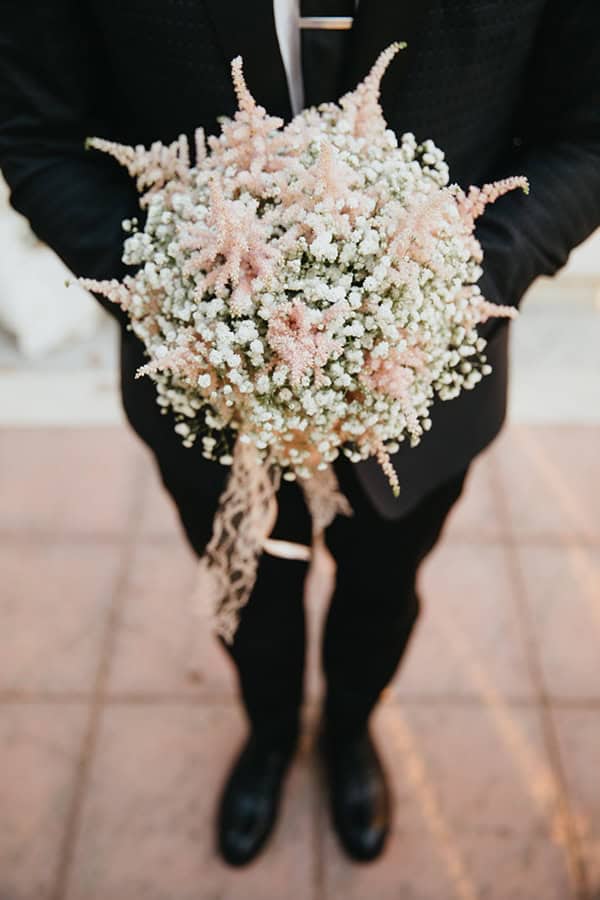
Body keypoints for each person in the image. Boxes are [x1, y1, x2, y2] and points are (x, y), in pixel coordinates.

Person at [1, 0, 599, 868]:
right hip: (201, 391)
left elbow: (584, 137)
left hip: (426, 402)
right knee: (250, 608)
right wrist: (185, 303)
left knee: (382, 594)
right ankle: (270, 737)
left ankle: (349, 732)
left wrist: (431, 295)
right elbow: (38, 136)